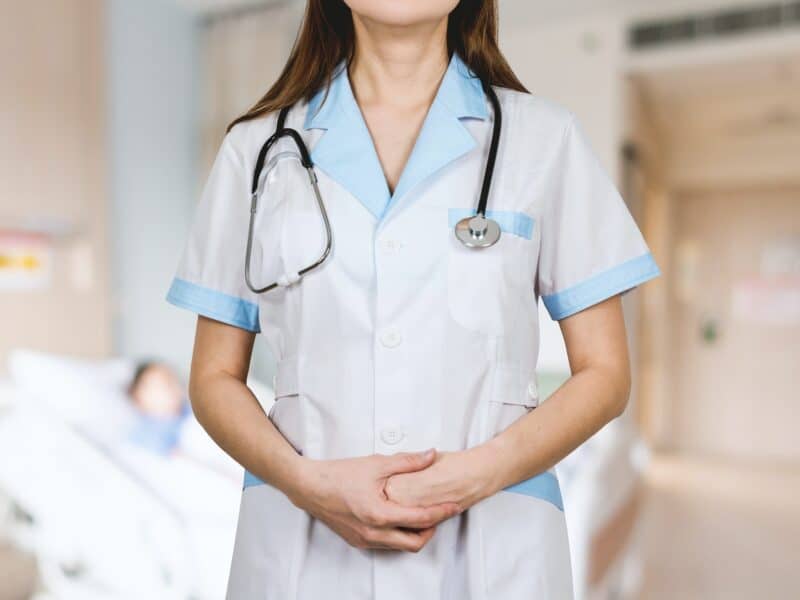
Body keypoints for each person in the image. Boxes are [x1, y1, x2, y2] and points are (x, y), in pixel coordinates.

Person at [165, 1, 660, 598]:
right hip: (303, 550)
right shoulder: (257, 150)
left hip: (495, 550)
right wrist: (307, 483)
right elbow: (214, 377)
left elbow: (605, 375)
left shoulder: (543, 140)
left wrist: (477, 476)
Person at [126, 360, 190, 455]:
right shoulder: (146, 434)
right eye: (163, 383)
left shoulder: (190, 411)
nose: (173, 387)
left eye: (173, 380)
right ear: (137, 396)